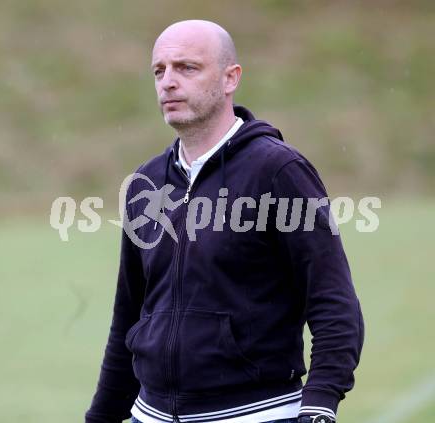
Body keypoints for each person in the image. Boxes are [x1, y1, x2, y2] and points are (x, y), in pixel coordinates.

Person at [85, 20, 364, 423]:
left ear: (230, 78)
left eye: (187, 68)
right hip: (151, 415)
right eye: (159, 71)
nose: (168, 83)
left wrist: (320, 404)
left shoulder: (278, 171)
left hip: (256, 414)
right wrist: (103, 416)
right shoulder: (144, 184)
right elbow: (129, 316)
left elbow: (332, 300)